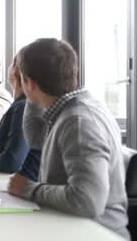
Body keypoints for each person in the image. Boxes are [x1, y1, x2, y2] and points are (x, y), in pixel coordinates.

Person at [7, 38, 128, 239]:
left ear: (29, 82)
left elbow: (87, 200)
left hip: (94, 233)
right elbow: (36, 139)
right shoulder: (67, 111)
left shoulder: (79, 123)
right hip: (71, 228)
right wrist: (32, 93)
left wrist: (29, 189)